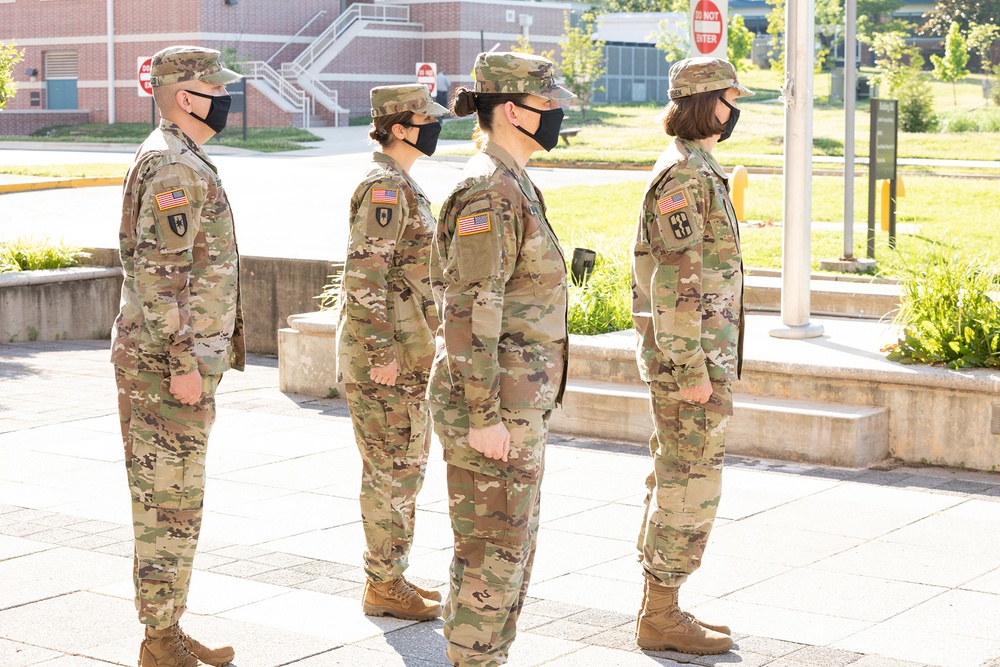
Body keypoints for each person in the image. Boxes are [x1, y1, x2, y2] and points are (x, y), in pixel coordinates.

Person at [428, 51, 574, 667]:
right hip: (494, 408)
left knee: (505, 551)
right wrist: (483, 413)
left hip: (515, 404)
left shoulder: (512, 183)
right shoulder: (490, 190)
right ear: (512, 111)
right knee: (492, 555)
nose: (557, 114)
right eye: (547, 104)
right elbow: (470, 311)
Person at [111, 45, 244, 667]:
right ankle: (160, 640)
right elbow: (160, 276)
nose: (225, 100)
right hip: (167, 369)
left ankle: (165, 631)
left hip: (172, 362)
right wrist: (184, 362)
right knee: (169, 502)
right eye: (215, 90)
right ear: (185, 97)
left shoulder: (182, 159)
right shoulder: (171, 168)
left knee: (176, 500)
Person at [630, 56, 752, 655]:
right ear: (707, 103)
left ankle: (663, 602)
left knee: (679, 473)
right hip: (691, 366)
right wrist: (691, 371)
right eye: (730, 100)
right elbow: (674, 285)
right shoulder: (684, 177)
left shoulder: (698, 168)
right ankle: (662, 612)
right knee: (688, 481)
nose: (736, 111)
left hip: (697, 359)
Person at [335, 83, 448, 621]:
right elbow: (365, 276)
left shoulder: (401, 183)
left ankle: (391, 574)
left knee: (403, 467)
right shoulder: (384, 187)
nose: (436, 127)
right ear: (399, 128)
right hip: (388, 357)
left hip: (407, 351)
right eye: (427, 120)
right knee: (391, 469)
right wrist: (381, 352)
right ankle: (382, 584)